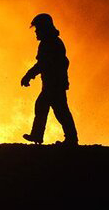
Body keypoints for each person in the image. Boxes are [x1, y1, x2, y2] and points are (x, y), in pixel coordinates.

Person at [21, 13, 78, 145]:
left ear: (44, 28)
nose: (35, 31)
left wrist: (28, 75)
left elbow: (43, 64)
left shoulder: (49, 43)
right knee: (54, 109)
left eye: (37, 28)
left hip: (54, 84)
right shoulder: (54, 42)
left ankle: (69, 138)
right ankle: (41, 135)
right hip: (54, 83)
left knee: (56, 110)